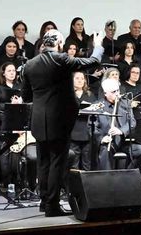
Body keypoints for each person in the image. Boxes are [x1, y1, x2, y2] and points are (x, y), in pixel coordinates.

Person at [21, 29, 104, 217]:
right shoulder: (61, 59)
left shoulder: (30, 65)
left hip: (38, 120)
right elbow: (92, 62)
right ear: (58, 43)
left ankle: (44, 202)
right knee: (57, 162)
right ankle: (52, 205)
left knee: (43, 162)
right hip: (58, 120)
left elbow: (26, 95)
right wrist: (97, 47)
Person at [95, 78, 141, 172]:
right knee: (105, 152)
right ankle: (107, 182)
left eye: (117, 90)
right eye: (113, 92)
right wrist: (101, 138)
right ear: (105, 93)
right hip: (108, 142)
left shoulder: (126, 103)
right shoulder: (98, 106)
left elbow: (132, 122)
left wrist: (121, 131)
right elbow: (92, 127)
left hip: (124, 142)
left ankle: (127, 174)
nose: (117, 93)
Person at [70, 71, 97, 170]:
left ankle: (87, 184)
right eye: (77, 78)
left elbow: (95, 110)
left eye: (82, 78)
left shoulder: (90, 95)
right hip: (72, 131)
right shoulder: (68, 94)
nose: (80, 80)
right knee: (73, 162)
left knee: (87, 162)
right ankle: (73, 184)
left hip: (87, 131)